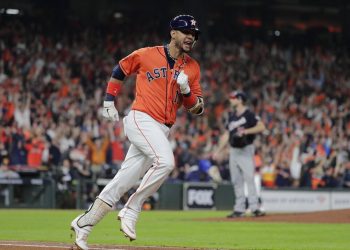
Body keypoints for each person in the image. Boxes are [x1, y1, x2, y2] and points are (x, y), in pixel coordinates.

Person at [70, 14, 204, 250]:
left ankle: (84, 223)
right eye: (186, 32)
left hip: (162, 129)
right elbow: (120, 69)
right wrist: (109, 100)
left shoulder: (192, 67)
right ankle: (132, 209)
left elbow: (197, 108)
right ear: (173, 32)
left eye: (194, 34)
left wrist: (186, 91)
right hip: (141, 118)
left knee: (122, 181)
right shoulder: (147, 54)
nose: (190, 37)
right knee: (165, 162)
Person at [213, 91, 266, 218]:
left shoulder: (249, 115)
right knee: (236, 180)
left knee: (249, 178)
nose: (231, 100)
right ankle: (239, 208)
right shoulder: (231, 116)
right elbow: (227, 134)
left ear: (240, 99)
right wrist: (218, 150)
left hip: (246, 149)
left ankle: (254, 207)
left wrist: (246, 131)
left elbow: (261, 127)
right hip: (234, 151)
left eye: (233, 98)